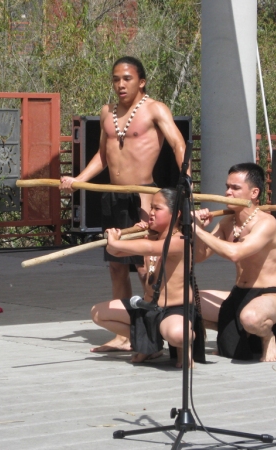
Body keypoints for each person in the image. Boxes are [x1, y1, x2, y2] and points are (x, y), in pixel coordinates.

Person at [60, 56, 187, 352]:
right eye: (116, 79)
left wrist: (187, 181)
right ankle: (126, 335)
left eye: (127, 78)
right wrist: (79, 179)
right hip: (113, 197)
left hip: (143, 196)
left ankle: (152, 332)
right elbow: (103, 157)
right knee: (117, 266)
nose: (120, 84)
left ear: (141, 81)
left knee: (145, 267)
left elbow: (178, 144)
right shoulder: (107, 112)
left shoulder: (155, 109)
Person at [90, 188, 204, 367]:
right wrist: (118, 238)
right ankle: (150, 344)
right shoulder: (150, 237)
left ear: (176, 214)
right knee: (98, 313)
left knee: (178, 335)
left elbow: (150, 249)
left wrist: (118, 242)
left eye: (157, 208)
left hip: (175, 310)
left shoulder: (180, 241)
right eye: (151, 207)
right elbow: (115, 252)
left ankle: (182, 348)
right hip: (148, 308)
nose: (151, 212)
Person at [193, 163, 276, 362]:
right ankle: (232, 330)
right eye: (227, 187)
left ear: (254, 193)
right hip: (239, 293)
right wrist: (199, 227)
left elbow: (235, 253)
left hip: (268, 294)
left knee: (251, 318)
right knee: (187, 300)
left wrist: (197, 231)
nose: (228, 192)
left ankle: (267, 336)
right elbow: (200, 257)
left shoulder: (266, 223)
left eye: (235, 188)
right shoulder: (227, 223)